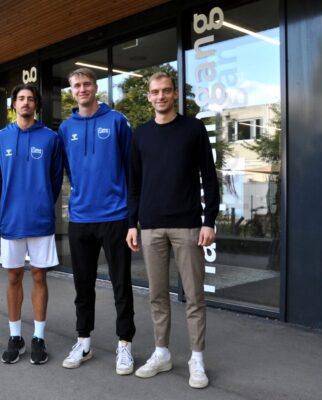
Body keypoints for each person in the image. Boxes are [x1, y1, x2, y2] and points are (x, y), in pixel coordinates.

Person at [126, 71, 220, 389]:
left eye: (166, 91)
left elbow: (209, 177)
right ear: (149, 96)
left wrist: (209, 221)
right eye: (155, 92)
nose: (161, 96)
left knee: (194, 297)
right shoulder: (140, 134)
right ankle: (162, 353)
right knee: (157, 296)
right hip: (151, 227)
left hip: (188, 225)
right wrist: (131, 224)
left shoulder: (193, 129)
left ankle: (197, 358)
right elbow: (133, 183)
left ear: (175, 94)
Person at [58, 67, 136, 375]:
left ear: (95, 87)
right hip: (80, 218)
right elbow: (67, 170)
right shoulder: (66, 128)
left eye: (86, 83)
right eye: (76, 85)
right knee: (82, 284)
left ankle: (125, 345)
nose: (82, 89)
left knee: (121, 284)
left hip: (115, 216)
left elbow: (132, 170)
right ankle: (83, 342)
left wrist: (133, 218)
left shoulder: (116, 121)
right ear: (72, 91)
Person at [0, 83, 63, 365]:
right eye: (20, 98)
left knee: (40, 277)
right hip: (11, 220)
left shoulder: (51, 138)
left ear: (36, 105)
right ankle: (16, 337)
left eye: (30, 99)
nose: (25, 103)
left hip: (41, 220)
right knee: (13, 277)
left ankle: (39, 338)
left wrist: (42, 202)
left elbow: (55, 180)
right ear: (13, 105)